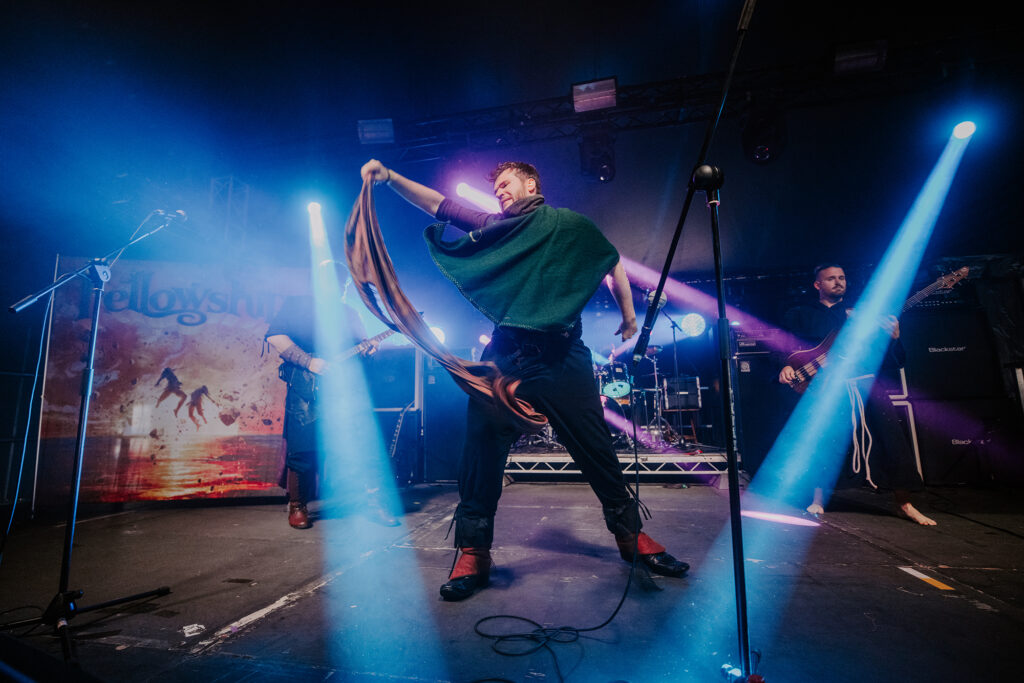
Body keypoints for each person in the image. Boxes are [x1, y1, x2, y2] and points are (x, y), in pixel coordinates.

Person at [360, 158, 690, 601]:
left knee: (595, 449)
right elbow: (440, 205)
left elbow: (610, 264)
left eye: (505, 183)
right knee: (480, 447)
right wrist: (390, 178)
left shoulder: (570, 226)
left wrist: (630, 316)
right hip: (506, 357)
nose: (498, 191)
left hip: (563, 355)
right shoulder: (497, 227)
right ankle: (474, 549)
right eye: (494, 187)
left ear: (531, 183)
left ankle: (631, 536)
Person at [778, 264, 936, 525]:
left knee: (891, 439)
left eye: (842, 277)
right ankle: (818, 500)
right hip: (825, 388)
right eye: (831, 278)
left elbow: (888, 359)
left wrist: (894, 338)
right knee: (823, 441)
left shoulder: (861, 315)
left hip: (865, 382)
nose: (838, 282)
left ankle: (904, 504)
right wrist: (784, 364)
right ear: (818, 284)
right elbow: (785, 346)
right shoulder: (800, 314)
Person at [265, 282, 392, 529]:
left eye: (342, 283)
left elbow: (361, 343)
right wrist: (309, 361)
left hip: (346, 387)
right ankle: (298, 505)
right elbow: (275, 337)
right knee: (302, 447)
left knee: (360, 443)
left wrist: (370, 348)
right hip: (305, 386)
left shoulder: (350, 312)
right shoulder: (297, 306)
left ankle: (370, 502)